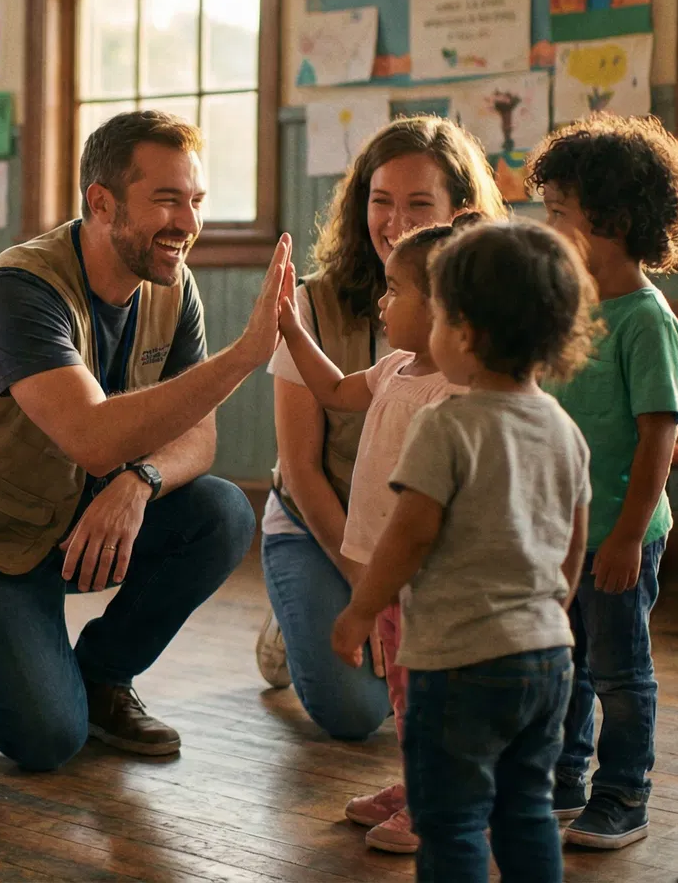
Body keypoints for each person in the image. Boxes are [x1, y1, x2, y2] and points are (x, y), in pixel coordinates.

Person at [0, 110, 282, 772]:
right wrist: (245, 355)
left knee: (219, 513)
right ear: (100, 204)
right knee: (48, 740)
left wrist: (142, 483)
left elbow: (199, 438)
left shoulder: (172, 286)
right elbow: (91, 437)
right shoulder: (16, 291)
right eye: (166, 200)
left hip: (72, 510)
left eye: (195, 201)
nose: (187, 224)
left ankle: (104, 678)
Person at [332, 219, 597, 881]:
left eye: (442, 316)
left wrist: (362, 607)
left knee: (449, 818)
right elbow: (572, 543)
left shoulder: (445, 425)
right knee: (526, 809)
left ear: (468, 333)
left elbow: (410, 532)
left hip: (460, 665)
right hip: (546, 659)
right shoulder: (563, 430)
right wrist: (550, 612)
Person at [254, 116, 506, 741]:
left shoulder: (490, 327)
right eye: (380, 202)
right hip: (329, 529)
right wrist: (366, 588)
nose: (394, 224)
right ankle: (295, 610)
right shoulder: (320, 306)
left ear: (460, 214)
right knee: (355, 712)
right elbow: (303, 467)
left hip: (435, 547)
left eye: (419, 205)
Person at [275, 216, 478, 855]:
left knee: (435, 694)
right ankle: (419, 784)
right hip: (388, 574)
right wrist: (291, 329)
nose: (382, 302)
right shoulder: (393, 369)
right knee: (404, 692)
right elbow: (333, 389)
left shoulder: (462, 391)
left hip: (434, 580)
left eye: (396, 291)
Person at [531, 116, 678, 851]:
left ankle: (624, 793)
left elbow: (660, 431)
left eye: (559, 214)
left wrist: (629, 533)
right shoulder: (575, 309)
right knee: (566, 661)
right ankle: (565, 777)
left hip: (622, 540)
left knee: (621, 673)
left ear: (615, 221)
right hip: (565, 540)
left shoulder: (644, 321)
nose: (548, 227)